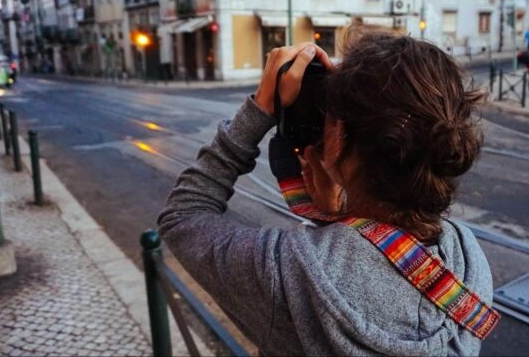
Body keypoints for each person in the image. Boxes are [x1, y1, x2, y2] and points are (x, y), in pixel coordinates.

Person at [158, 27, 498, 356]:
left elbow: (183, 215)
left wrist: (260, 109)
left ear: (338, 138)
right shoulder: (468, 263)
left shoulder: (288, 273)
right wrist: (341, 213)